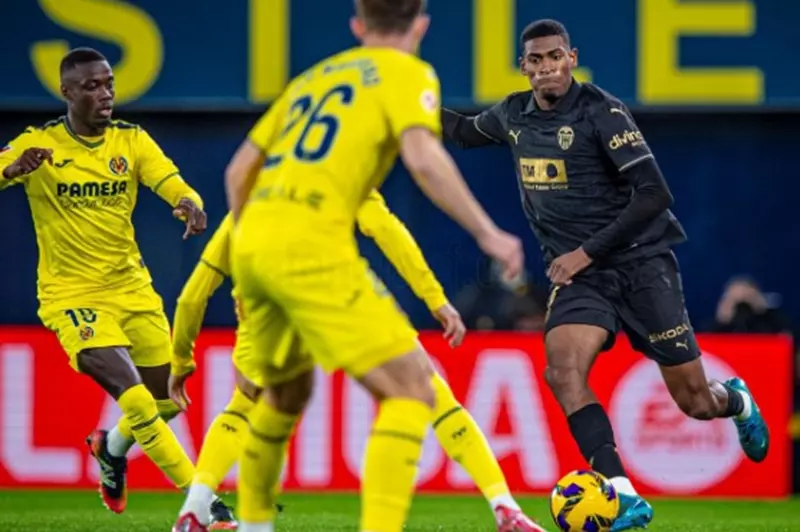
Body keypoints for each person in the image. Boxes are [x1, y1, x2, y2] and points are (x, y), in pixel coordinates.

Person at [440, 19, 769, 531]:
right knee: (562, 371)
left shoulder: (602, 112)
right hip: (582, 280)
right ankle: (622, 493)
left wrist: (585, 252)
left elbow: (655, 195)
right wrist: (403, 108)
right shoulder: (512, 114)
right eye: (536, 60)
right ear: (523, 67)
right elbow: (461, 132)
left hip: (641, 267)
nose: (547, 67)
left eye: (555, 56)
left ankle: (737, 400)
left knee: (696, 402)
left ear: (571, 58)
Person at [222, 1, 526, 531]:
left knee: (286, 394)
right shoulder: (407, 72)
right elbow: (424, 159)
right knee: (413, 388)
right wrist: (486, 231)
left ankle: (253, 525)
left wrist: (252, 257)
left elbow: (238, 170)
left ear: (358, 26)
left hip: (251, 242)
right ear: (421, 25)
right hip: (312, 244)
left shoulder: (313, 78)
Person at [171, 198, 543, 531]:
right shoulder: (335, 169)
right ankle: (504, 508)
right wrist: (435, 299)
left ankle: (194, 509)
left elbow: (192, 296)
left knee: (244, 405)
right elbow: (386, 229)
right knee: (428, 389)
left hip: (266, 304)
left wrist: (181, 359)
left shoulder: (251, 195)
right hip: (336, 291)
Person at [0, 48, 234, 526]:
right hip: (72, 297)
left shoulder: (131, 141)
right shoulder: (38, 143)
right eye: (92, 86)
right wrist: (10, 169)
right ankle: (204, 505)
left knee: (167, 400)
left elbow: (169, 179)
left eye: (108, 83)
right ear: (67, 92)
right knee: (137, 399)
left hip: (132, 289)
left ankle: (110, 447)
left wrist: (189, 202)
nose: (105, 94)